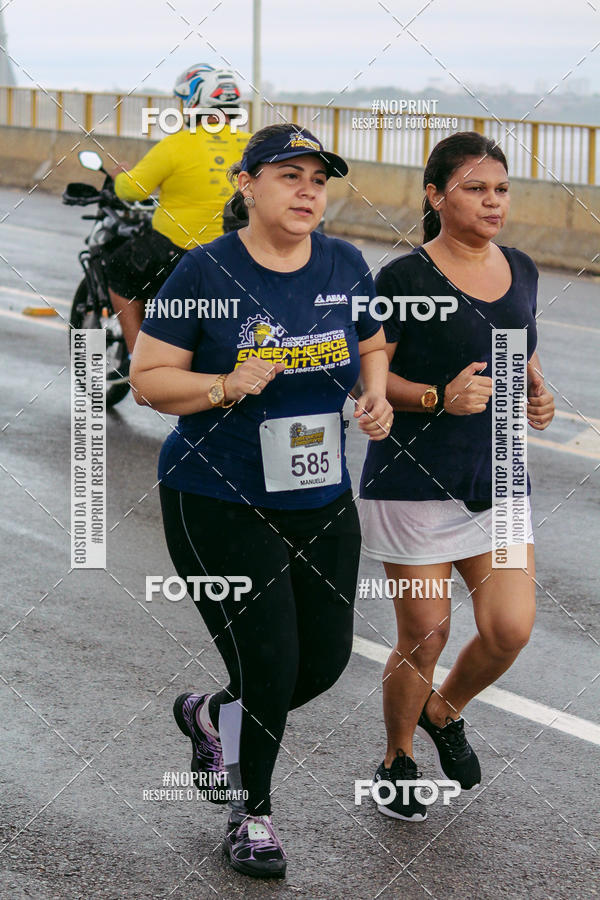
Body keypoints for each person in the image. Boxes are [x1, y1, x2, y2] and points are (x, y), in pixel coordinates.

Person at [130, 123, 393, 877]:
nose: (309, 189)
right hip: (217, 494)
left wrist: (373, 399)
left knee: (324, 660)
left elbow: (370, 341)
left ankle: (213, 715)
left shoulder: (343, 261)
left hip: (319, 494)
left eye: (318, 178)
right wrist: (222, 386)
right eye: (289, 175)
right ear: (247, 185)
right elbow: (149, 377)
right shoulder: (204, 272)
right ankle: (254, 816)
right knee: (271, 664)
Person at [359, 132, 555, 822]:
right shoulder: (402, 280)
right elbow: (370, 384)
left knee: (508, 629)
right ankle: (397, 759)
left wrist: (537, 395)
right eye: (475, 188)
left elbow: (517, 353)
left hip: (497, 474)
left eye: (501, 188)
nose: (493, 201)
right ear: (436, 196)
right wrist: (436, 397)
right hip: (414, 484)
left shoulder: (523, 269)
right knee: (427, 635)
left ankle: (446, 710)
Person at [105, 64, 251, 371]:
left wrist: (119, 176)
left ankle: (138, 361)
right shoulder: (252, 145)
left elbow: (132, 190)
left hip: (179, 249)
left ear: (195, 103)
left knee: (118, 273)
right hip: (238, 252)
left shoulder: (177, 144)